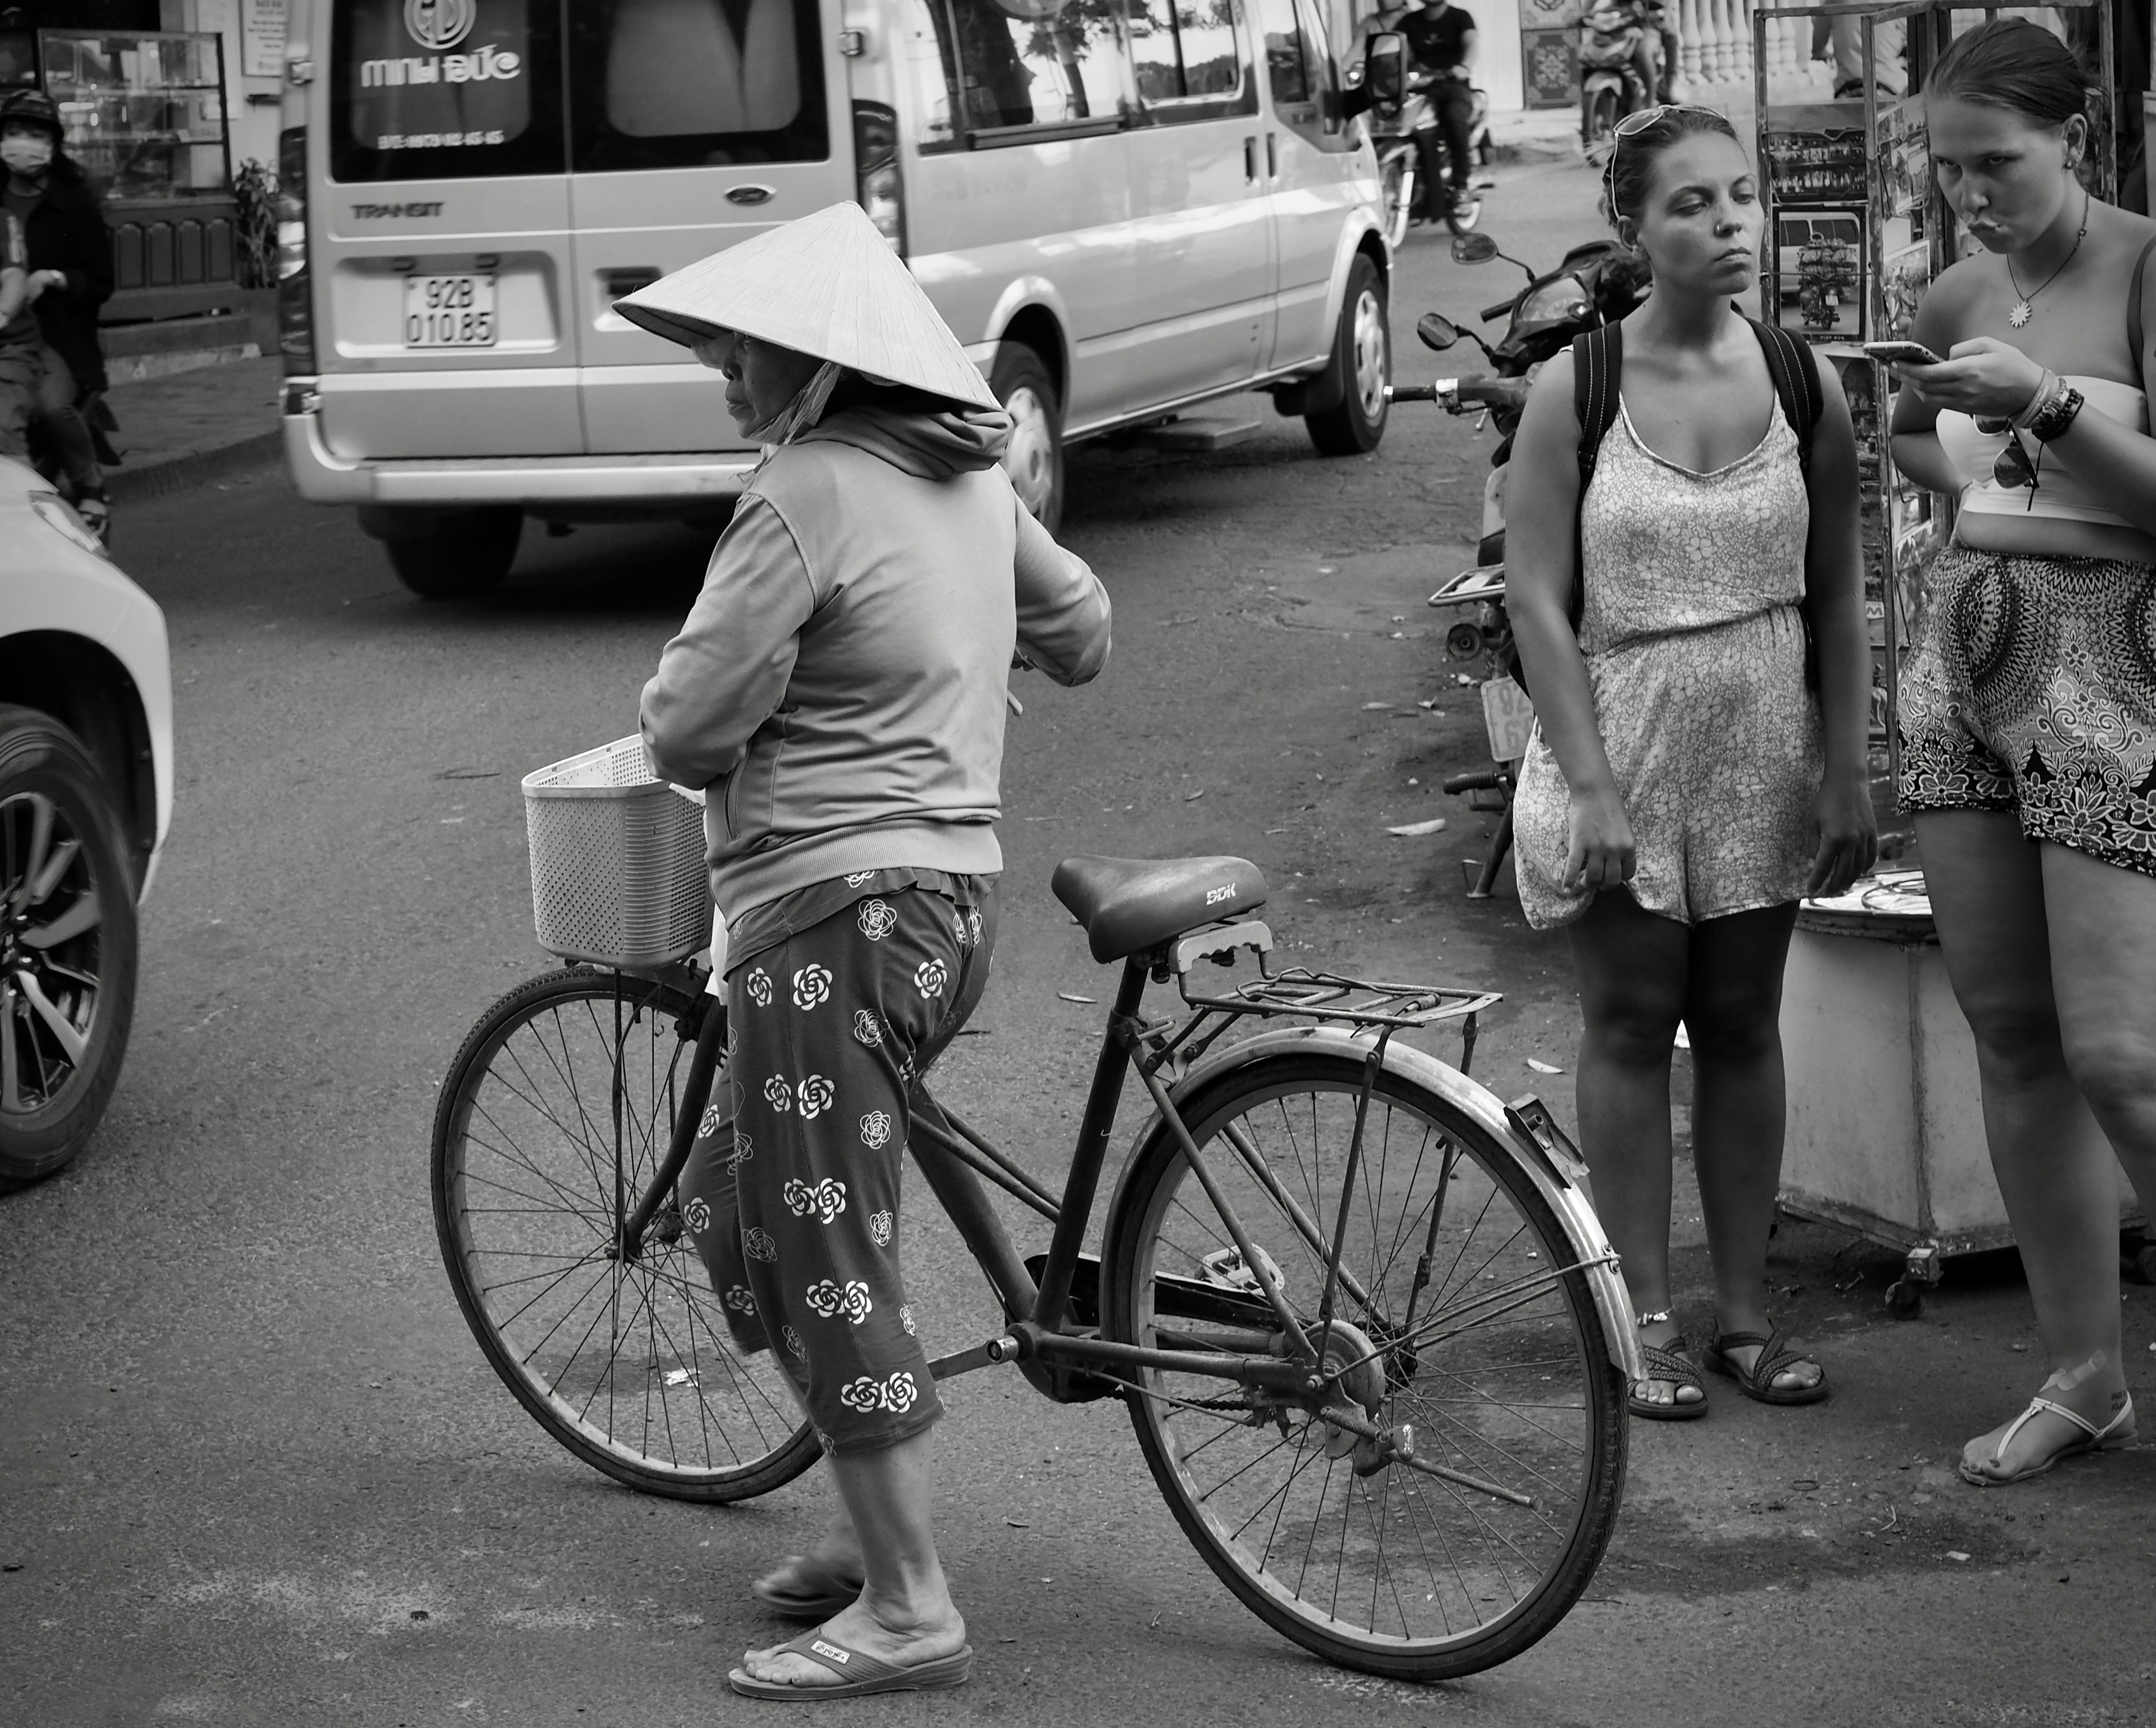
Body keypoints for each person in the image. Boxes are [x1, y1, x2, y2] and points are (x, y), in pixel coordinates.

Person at [625, 202, 1113, 1698]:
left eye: (740, 356)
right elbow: (1084, 629)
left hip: (825, 923)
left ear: (809, 367)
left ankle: (908, 1602)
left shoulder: (798, 494)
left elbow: (681, 726)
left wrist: (794, 676)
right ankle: (858, 1523)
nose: (724, 380)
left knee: (823, 1241)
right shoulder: (960, 477)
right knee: (729, 1198)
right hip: (942, 917)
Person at [1502, 106, 1877, 1419]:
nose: (1726, 224)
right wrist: (1590, 779)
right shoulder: (1579, 387)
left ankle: (1745, 1315)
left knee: (1739, 1023)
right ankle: (1642, 1316)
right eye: (1690, 205)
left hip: (1764, 733)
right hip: (1629, 728)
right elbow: (1535, 599)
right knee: (1626, 1022)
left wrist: (1845, 765)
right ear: (1634, 229)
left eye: (1739, 197)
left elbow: (1839, 588)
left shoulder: (1801, 376)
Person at [1884, 17, 2156, 1487]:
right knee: (2008, 1034)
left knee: (2122, 1053)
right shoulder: (1953, 288)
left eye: (1996, 165)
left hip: (2110, 664)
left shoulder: (2141, 265)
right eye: (1947, 173)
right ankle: (2082, 1371)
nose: (1971, 197)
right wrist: (1943, 430)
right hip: (1962, 661)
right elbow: (1932, 450)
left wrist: (2042, 405)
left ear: (2076, 142)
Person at [1, 89, 113, 538]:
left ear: (51, 144)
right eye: (12, 133)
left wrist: (49, 278)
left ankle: (90, 486)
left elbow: (101, 283)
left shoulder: (76, 208)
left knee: (49, 405)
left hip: (56, 340)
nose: (21, 143)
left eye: (33, 134)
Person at [1372, 0, 1478, 219]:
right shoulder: (1409, 22)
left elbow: (1471, 45)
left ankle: (1462, 187)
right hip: (1421, 88)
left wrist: (1465, 66)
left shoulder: (1461, 17)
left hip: (1453, 85)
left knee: (1455, 119)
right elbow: (1392, 49)